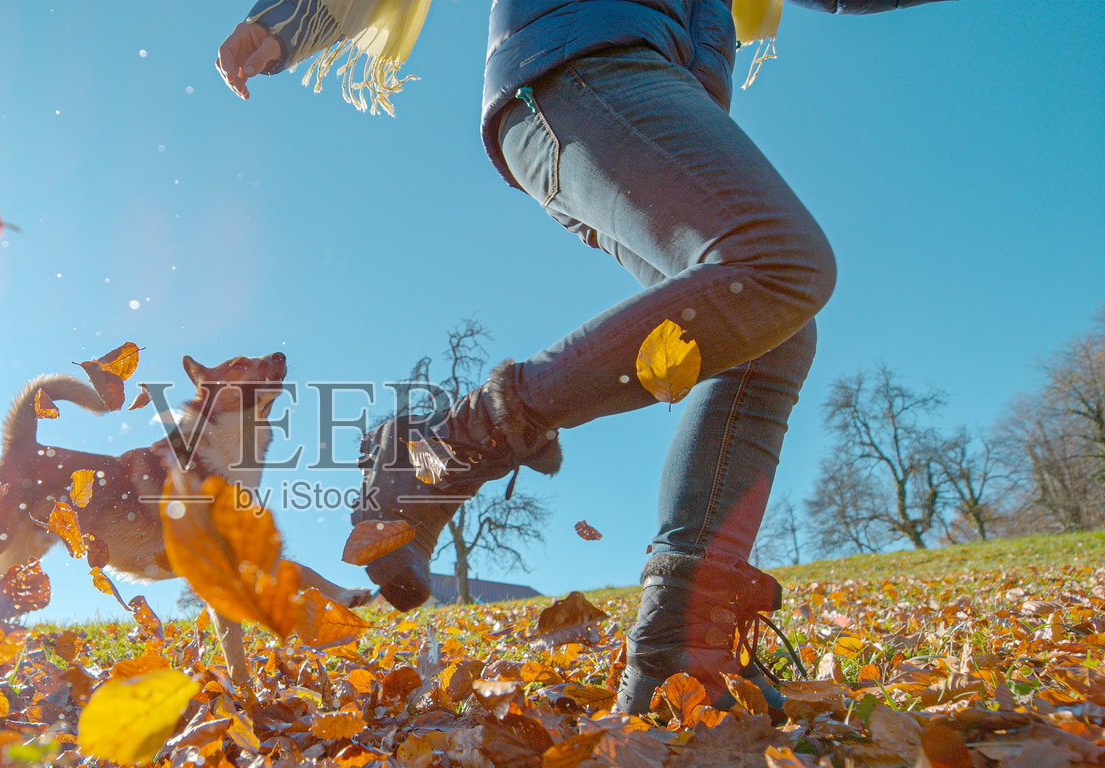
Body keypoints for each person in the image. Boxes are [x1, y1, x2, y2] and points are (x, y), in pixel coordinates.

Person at [215, 0, 952, 716]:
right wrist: (290, 19)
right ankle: (446, 448)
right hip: (579, 70)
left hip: (627, 92)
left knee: (767, 333)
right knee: (779, 262)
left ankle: (681, 645)